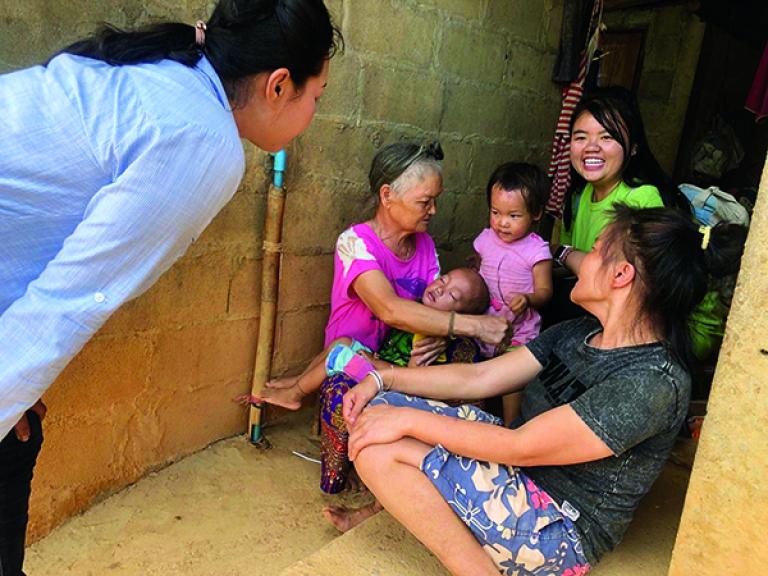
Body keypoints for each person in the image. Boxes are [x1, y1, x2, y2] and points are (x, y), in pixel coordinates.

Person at [0, 2, 342, 574]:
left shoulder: (170, 79)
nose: (313, 112)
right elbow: (67, 301)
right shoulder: (201, 138)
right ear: (279, 85)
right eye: (317, 97)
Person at [341, 205, 747, 576]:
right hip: (516, 477)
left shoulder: (653, 381)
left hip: (559, 528)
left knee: (381, 446)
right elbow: (479, 379)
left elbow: (521, 445)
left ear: (620, 275)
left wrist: (407, 422)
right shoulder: (578, 333)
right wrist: (384, 379)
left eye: (594, 250)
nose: (581, 260)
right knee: (380, 409)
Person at [309, 141, 507, 497]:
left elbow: (433, 308)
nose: (433, 210)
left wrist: (429, 348)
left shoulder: (425, 244)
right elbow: (389, 309)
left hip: (401, 354)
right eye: (424, 201)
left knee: (464, 353)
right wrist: (474, 324)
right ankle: (340, 480)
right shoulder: (354, 242)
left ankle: (463, 457)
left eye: (436, 200)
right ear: (387, 195)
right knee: (341, 388)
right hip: (357, 358)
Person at [247, 267, 490, 410]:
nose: (439, 288)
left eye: (452, 295)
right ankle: (298, 380)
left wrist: (376, 364)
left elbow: (415, 380)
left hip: (393, 382)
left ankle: (295, 395)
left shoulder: (433, 341)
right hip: (379, 364)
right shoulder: (416, 312)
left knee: (341, 355)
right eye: (443, 280)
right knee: (341, 342)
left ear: (460, 316)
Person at [546, 87, 691, 324]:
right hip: (587, 307)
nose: (591, 146)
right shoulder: (579, 194)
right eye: (580, 137)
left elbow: (614, 277)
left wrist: (561, 252)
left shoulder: (642, 199)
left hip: (619, 322)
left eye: (607, 137)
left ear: (633, 147)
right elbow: (571, 267)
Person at [472, 162, 553, 424]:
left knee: (511, 382)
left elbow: (545, 291)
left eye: (514, 216)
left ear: (536, 213)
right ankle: (473, 415)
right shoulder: (485, 239)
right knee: (472, 367)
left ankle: (510, 426)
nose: (502, 223)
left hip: (519, 330)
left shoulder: (536, 251)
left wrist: (529, 299)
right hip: (485, 321)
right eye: (495, 212)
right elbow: (477, 268)